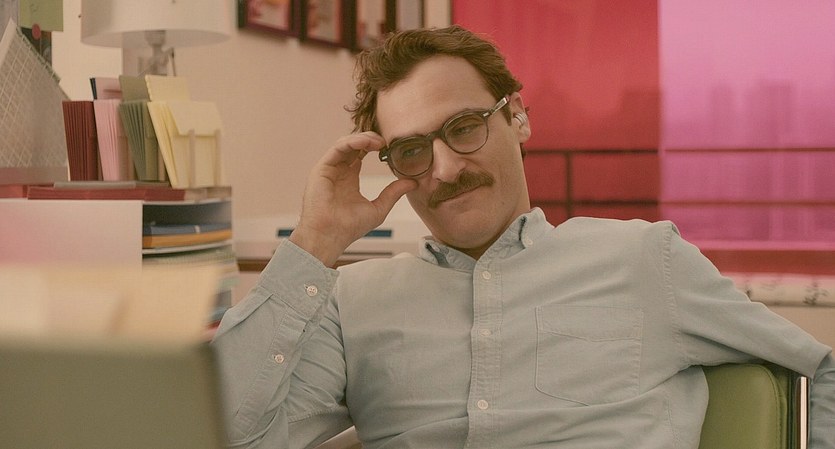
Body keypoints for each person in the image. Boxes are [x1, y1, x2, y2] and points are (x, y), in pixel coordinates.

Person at [212, 25, 835, 448]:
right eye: (411, 150)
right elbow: (226, 434)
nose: (444, 169)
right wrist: (314, 242)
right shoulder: (351, 302)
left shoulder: (644, 259)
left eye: (464, 127)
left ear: (517, 117)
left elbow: (822, 371)